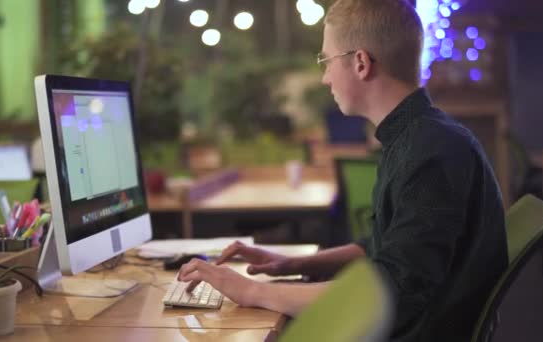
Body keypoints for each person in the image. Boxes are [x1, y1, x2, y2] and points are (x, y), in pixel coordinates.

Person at [178, 0, 508, 340]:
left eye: (326, 60)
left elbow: (393, 292)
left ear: (361, 62)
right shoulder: (417, 137)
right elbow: (387, 249)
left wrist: (252, 291)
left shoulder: (431, 151)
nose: (324, 78)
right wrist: (293, 264)